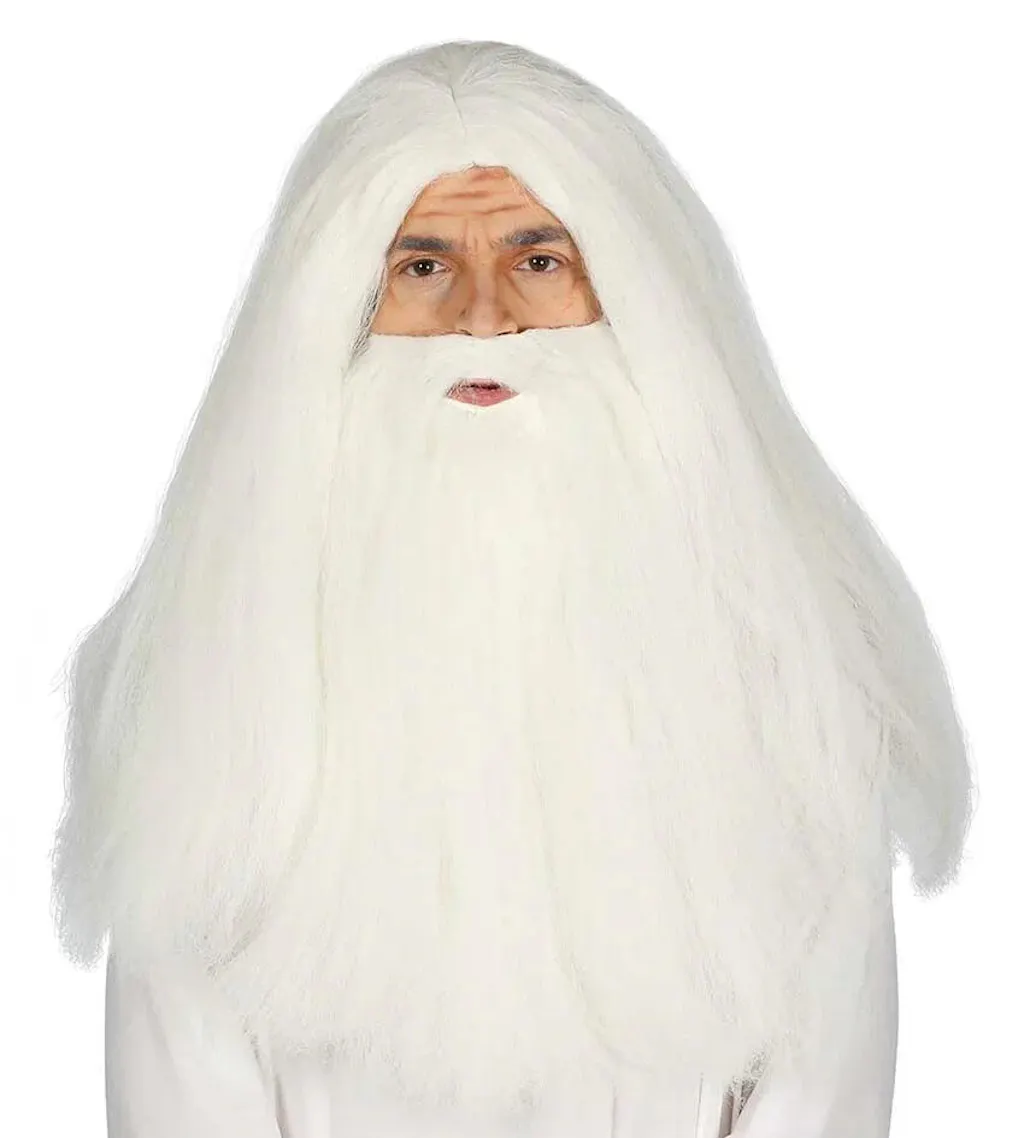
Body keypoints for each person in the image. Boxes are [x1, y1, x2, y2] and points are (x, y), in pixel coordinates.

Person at [50, 40, 975, 1138]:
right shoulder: (207, 732)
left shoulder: (798, 713)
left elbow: (820, 1099)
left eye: (538, 260)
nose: (485, 320)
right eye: (423, 266)